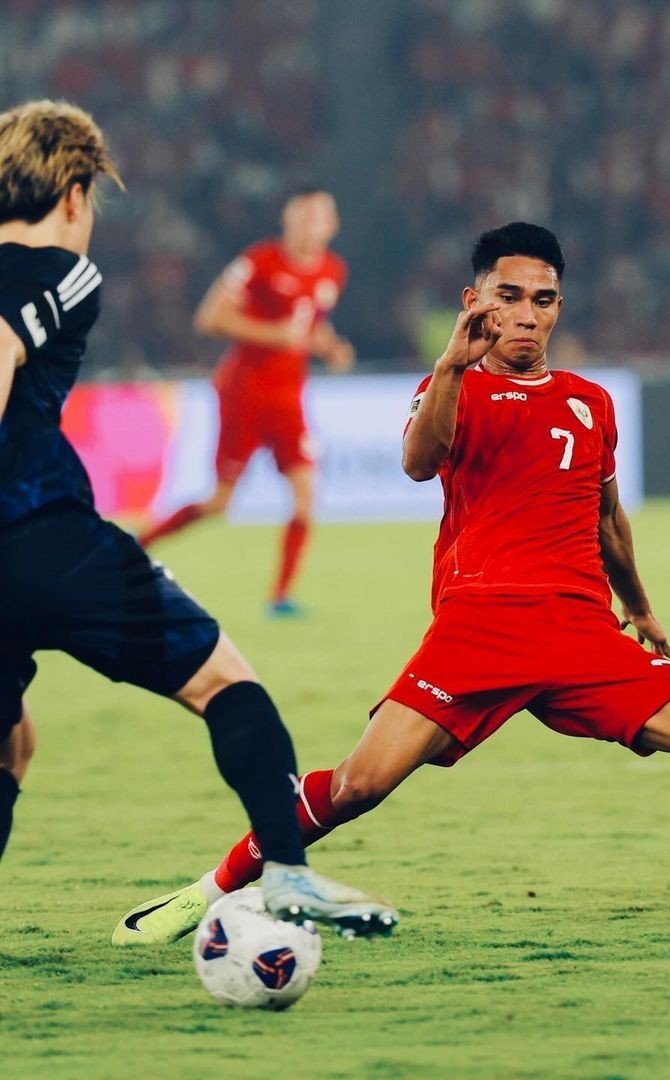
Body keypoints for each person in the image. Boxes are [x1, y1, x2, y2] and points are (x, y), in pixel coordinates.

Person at [113, 221, 670, 946]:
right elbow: (415, 462)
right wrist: (448, 364)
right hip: (479, 630)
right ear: (479, 302)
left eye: (545, 299)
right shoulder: (457, 388)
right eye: (512, 296)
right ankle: (207, 893)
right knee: (360, 784)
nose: (530, 313)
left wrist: (643, 610)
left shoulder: (589, 402)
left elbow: (607, 518)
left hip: (583, 633)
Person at [0, 99, 396, 939]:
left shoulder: (326, 275)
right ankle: (287, 873)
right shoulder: (61, 272)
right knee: (227, 681)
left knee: (11, 748)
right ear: (74, 193)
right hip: (45, 539)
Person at [137, 187, 355, 616]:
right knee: (220, 501)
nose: (312, 224)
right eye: (304, 215)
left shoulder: (333, 270)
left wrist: (329, 347)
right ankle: (137, 544)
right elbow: (210, 318)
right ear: (287, 221)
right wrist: (276, 335)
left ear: (332, 225)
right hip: (244, 393)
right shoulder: (258, 262)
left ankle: (280, 597)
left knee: (307, 495)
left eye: (320, 217)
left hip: (290, 398)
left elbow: (308, 326)